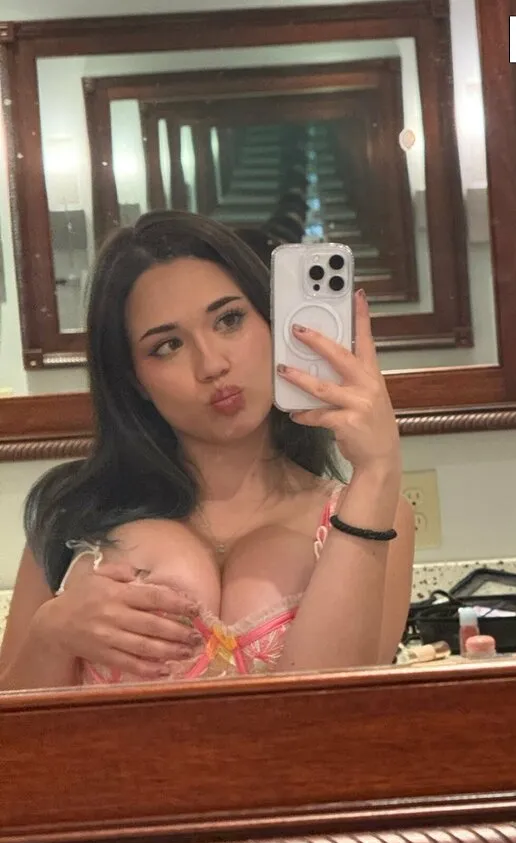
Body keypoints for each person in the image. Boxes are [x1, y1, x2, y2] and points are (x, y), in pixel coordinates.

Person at [0, 211, 414, 690]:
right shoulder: (72, 513)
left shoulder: (375, 513)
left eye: (229, 320)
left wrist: (378, 468)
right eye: (167, 346)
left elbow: (331, 712)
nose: (212, 364)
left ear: (274, 325)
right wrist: (51, 635)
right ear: (134, 380)